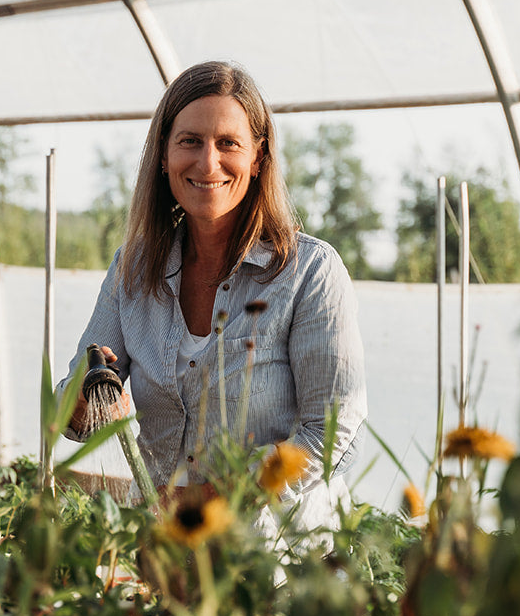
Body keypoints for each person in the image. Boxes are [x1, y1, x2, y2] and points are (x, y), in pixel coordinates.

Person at [60, 61, 366, 530]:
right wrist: (86, 391)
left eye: (228, 143)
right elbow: (72, 420)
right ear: (163, 155)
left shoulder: (309, 273)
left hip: (278, 565)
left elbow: (332, 435)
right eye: (189, 141)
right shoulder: (134, 270)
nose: (208, 163)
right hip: (168, 553)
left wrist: (214, 495)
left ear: (258, 157)